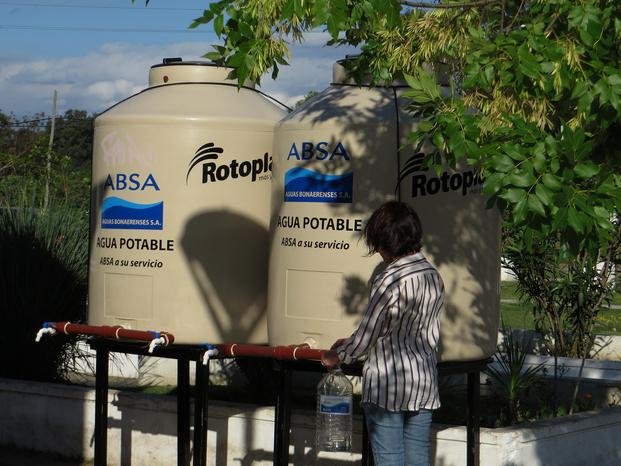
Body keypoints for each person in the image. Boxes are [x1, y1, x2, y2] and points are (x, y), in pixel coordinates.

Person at [321, 200, 444, 466]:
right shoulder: (433, 274)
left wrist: (339, 354)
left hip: (387, 384)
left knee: (389, 461)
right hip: (423, 381)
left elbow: (368, 333)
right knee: (418, 459)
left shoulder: (389, 279)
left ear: (385, 242)